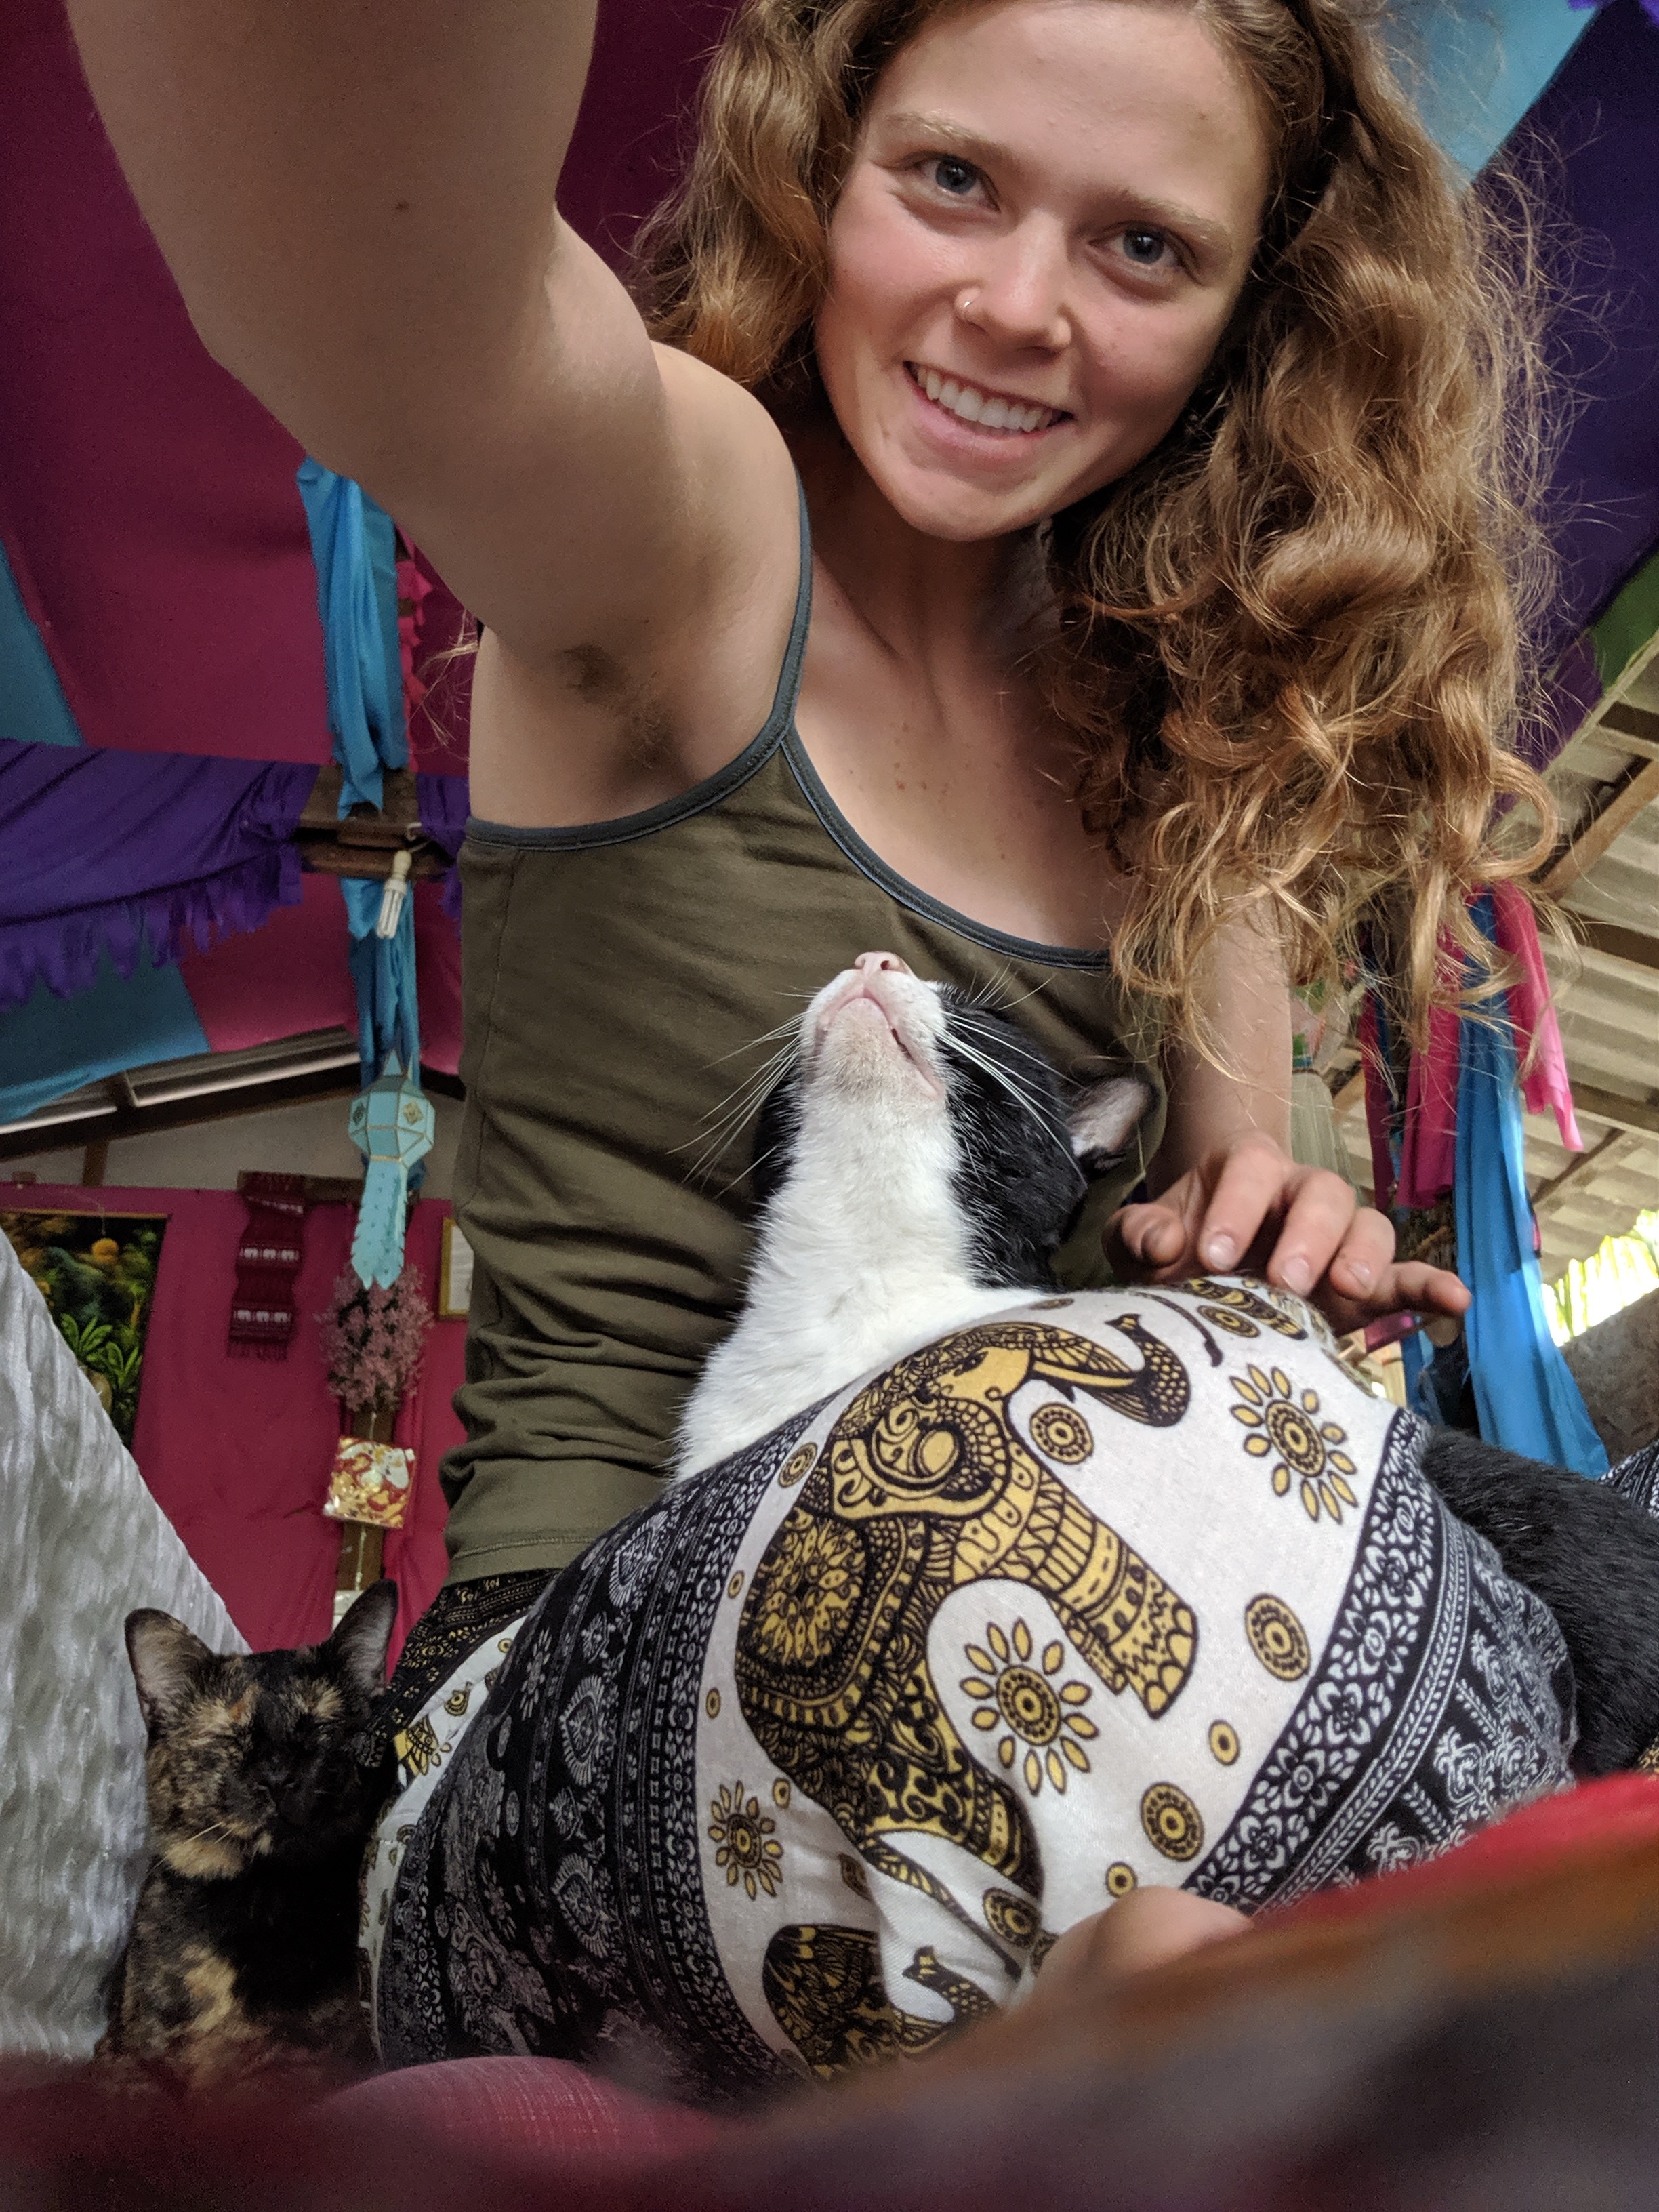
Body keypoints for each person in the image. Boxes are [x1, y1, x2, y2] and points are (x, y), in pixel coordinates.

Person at [66, 0, 1564, 2077]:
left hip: (1067, 1676)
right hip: (581, 1684)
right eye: (951, 179)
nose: (1018, 303)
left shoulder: (1190, 748)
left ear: (1253, 313)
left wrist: (1282, 1241)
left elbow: (1227, 1249)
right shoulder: (681, 537)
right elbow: (401, 299)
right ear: (820, 167)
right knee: (976, 1590)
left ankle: (1159, 1985)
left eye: (1143, 245)